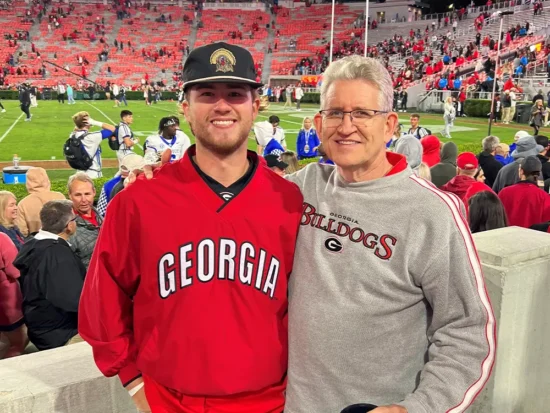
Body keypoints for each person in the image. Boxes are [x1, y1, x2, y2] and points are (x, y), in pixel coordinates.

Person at [78, 42, 303, 413]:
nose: (222, 106)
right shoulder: (139, 200)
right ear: (184, 107)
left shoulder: (291, 201)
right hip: (170, 400)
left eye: (235, 93)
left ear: (255, 105)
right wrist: (132, 379)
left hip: (270, 400)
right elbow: (102, 304)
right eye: (206, 94)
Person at [284, 55, 495, 413]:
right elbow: (233, 200)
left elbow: (468, 331)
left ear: (389, 125)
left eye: (362, 113)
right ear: (319, 124)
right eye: (335, 113)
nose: (346, 126)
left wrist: (419, 408)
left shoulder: (432, 212)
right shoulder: (304, 185)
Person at [14, 200, 86, 350]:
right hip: (62, 333)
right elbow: (71, 299)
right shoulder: (57, 254)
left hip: (39, 327)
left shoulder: (32, 244)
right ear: (69, 225)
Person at [0, 191, 28, 358]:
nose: (16, 208)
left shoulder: (13, 229)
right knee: (19, 340)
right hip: (8, 300)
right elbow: (14, 270)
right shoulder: (3, 236)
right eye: (11, 205)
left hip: (8, 299)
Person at [498, 156, 550, 228]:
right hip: (534, 237)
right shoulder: (544, 197)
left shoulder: (504, 192)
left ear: (521, 171)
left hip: (507, 237)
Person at [15, 167, 65, 237]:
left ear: (28, 182)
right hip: (61, 241)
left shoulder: (23, 203)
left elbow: (22, 232)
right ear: (46, 179)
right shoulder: (60, 197)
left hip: (37, 244)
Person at [67, 172, 103, 268]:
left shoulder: (102, 218)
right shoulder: (67, 226)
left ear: (94, 192)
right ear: (70, 195)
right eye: (78, 195)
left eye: (87, 194)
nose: (84, 199)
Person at [70, 111, 116, 179]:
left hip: (80, 173)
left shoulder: (72, 135)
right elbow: (112, 129)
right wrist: (94, 122)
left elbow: (76, 129)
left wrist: (79, 123)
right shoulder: (92, 137)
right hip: (93, 174)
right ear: (86, 122)